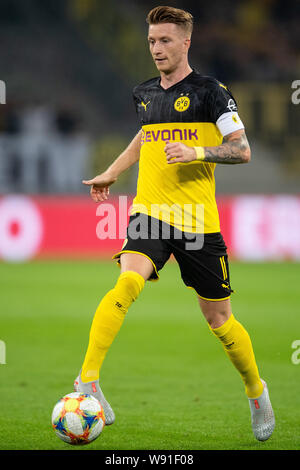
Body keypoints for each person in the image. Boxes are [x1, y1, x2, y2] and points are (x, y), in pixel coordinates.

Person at [74, 6, 275, 441]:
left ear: (186, 42)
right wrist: (112, 171)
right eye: (151, 41)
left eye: (165, 40)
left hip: (197, 221)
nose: (156, 49)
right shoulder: (144, 92)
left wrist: (197, 152)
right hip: (149, 212)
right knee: (126, 282)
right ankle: (87, 378)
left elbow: (242, 150)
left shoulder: (211, 92)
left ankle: (256, 391)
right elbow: (146, 137)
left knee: (219, 319)